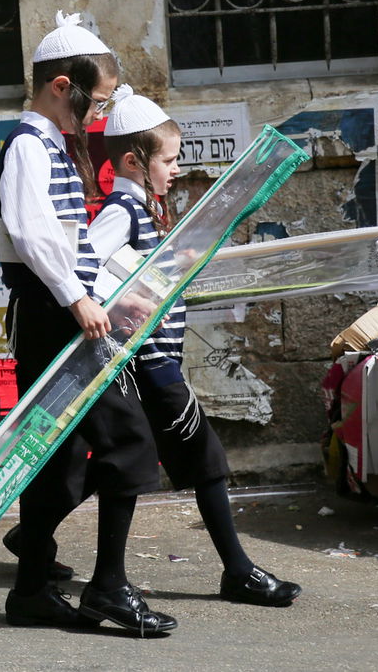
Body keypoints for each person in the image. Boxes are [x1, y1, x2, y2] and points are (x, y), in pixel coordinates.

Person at [0, 11, 174, 637]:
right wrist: (78, 300)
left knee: (60, 455)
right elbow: (34, 234)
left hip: (68, 312)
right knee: (128, 444)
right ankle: (109, 589)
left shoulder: (50, 145)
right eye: (93, 103)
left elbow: (69, 245)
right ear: (60, 86)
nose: (97, 118)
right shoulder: (28, 144)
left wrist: (102, 297)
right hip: (53, 319)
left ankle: (32, 589)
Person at [88, 88, 301, 607]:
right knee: (204, 460)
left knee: (119, 464)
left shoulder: (147, 207)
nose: (177, 168)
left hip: (155, 357)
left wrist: (175, 261)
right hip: (147, 360)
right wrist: (148, 281)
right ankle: (238, 571)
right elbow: (88, 273)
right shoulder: (122, 210)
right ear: (135, 162)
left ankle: (34, 536)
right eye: (169, 159)